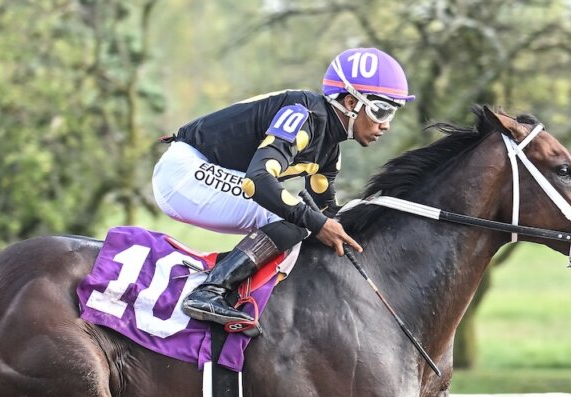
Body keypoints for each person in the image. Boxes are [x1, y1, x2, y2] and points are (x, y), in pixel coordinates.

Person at [152, 47, 414, 334]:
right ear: (351, 102)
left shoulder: (329, 153)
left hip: (200, 175)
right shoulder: (302, 115)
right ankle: (209, 291)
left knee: (304, 219)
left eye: (392, 113)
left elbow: (327, 213)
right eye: (381, 110)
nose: (386, 124)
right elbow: (258, 179)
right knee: (296, 218)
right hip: (183, 172)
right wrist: (317, 222)